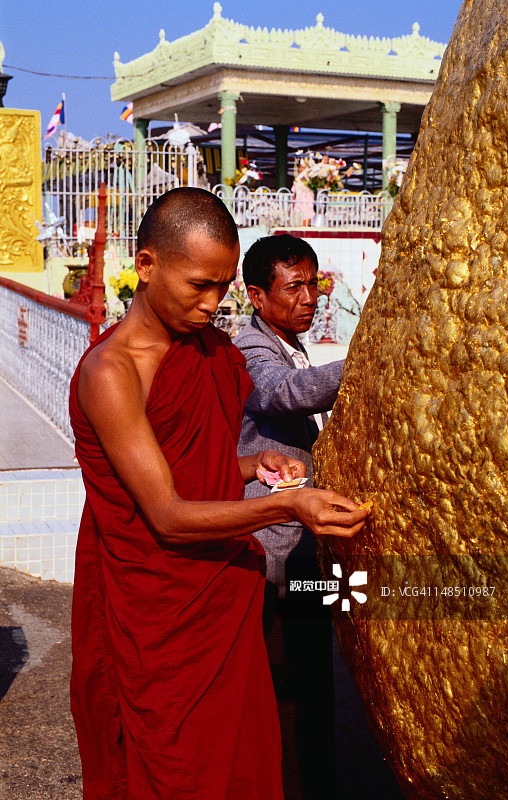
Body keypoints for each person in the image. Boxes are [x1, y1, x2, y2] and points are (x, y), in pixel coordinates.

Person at [69, 189, 370, 800]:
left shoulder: (208, 350)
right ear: (147, 266)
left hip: (223, 595)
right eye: (199, 285)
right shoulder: (112, 373)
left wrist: (252, 464)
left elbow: (191, 469)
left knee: (241, 763)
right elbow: (167, 514)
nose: (214, 304)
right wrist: (288, 503)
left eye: (224, 286)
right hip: (155, 606)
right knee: (175, 770)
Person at [234, 233, 346, 798]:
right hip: (272, 553)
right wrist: (362, 366)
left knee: (309, 679)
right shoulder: (254, 348)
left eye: (314, 282)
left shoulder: (285, 340)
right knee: (286, 687)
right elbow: (282, 394)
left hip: (299, 542)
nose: (309, 297)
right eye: (294, 286)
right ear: (256, 295)